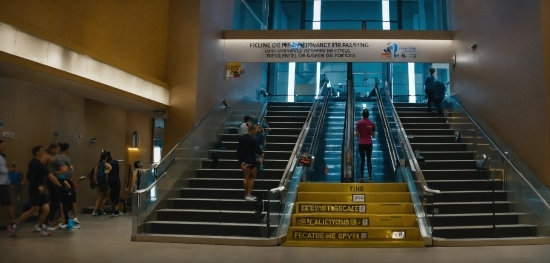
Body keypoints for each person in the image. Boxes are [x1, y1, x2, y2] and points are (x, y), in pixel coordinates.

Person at [10, 146, 63, 236]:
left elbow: (51, 176)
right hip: (35, 190)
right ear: (37, 152)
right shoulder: (33, 163)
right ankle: (14, 226)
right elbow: (29, 176)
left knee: (46, 209)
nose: (43, 153)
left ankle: (40, 227)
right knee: (34, 209)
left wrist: (61, 186)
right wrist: (38, 185)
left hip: (41, 190)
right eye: (41, 151)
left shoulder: (41, 165)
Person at [237, 124, 263, 201]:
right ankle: (249, 194)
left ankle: (246, 194)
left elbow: (238, 151)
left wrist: (241, 161)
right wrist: (261, 154)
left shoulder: (241, 138)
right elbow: (259, 151)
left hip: (244, 160)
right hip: (251, 159)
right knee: (253, 177)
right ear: (252, 130)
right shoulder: (253, 139)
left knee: (245, 178)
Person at [54, 143, 76, 229]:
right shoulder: (66, 159)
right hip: (62, 180)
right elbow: (68, 173)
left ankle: (64, 219)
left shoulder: (56, 158)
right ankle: (61, 219)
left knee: (60, 201)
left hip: (55, 180)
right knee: (64, 201)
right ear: (67, 149)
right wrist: (70, 170)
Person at [355, 109, 376, 183]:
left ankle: (362, 177)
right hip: (369, 143)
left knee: (362, 160)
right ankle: (370, 177)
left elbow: (357, 134)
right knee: (369, 160)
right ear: (368, 115)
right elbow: (373, 135)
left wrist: (357, 133)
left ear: (362, 114)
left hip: (361, 143)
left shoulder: (358, 123)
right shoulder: (372, 124)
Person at [1, 139, 16, 235]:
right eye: (2, 145)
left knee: (8, 204)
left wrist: (9, 182)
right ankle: (13, 223)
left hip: (3, 185)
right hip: (0, 185)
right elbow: (3, 171)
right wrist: (10, 169)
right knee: (8, 205)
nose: (3, 147)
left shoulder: (3, 157)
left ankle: (13, 223)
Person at [92, 151, 112, 216]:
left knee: (99, 198)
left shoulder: (97, 166)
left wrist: (96, 184)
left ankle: (94, 211)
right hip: (105, 183)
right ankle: (101, 209)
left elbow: (95, 177)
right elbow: (110, 169)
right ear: (106, 157)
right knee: (105, 196)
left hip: (99, 183)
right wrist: (108, 171)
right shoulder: (107, 165)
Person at [107, 152, 123, 216]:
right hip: (116, 180)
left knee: (112, 194)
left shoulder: (106, 164)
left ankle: (116, 209)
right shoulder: (115, 162)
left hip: (109, 180)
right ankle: (116, 211)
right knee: (117, 194)